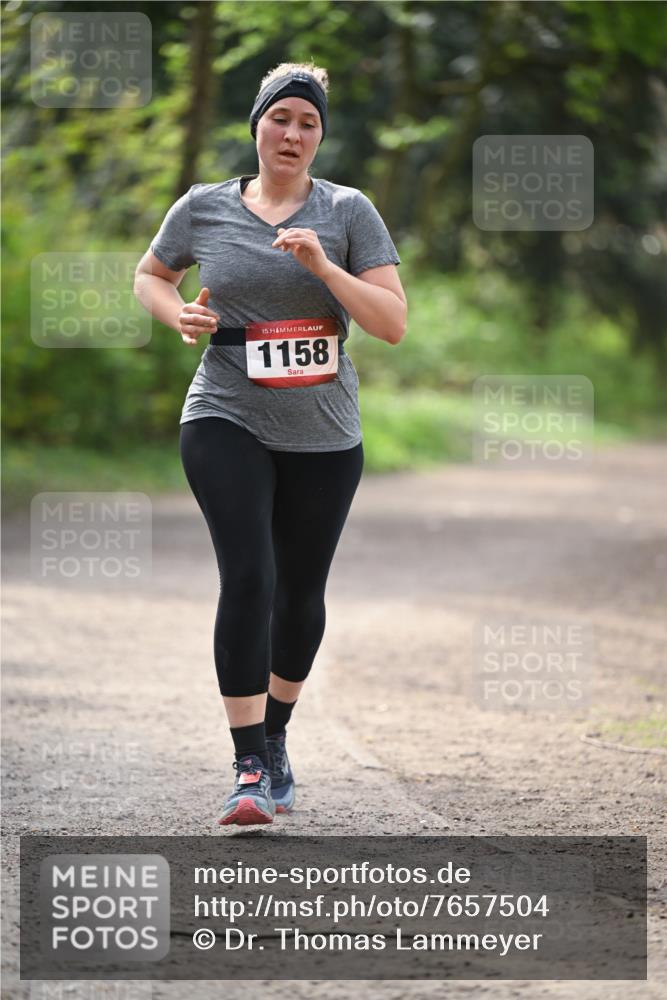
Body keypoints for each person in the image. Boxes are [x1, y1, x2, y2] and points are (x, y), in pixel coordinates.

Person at [134, 61, 407, 827]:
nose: (292, 133)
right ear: (256, 124)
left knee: (299, 594)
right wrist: (176, 313)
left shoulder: (349, 211)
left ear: (321, 136)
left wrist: (323, 266)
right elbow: (150, 275)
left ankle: (277, 731)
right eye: (280, 118)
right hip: (224, 409)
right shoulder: (203, 207)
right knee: (248, 574)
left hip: (323, 428)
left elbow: (389, 323)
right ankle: (248, 763)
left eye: (308, 123)